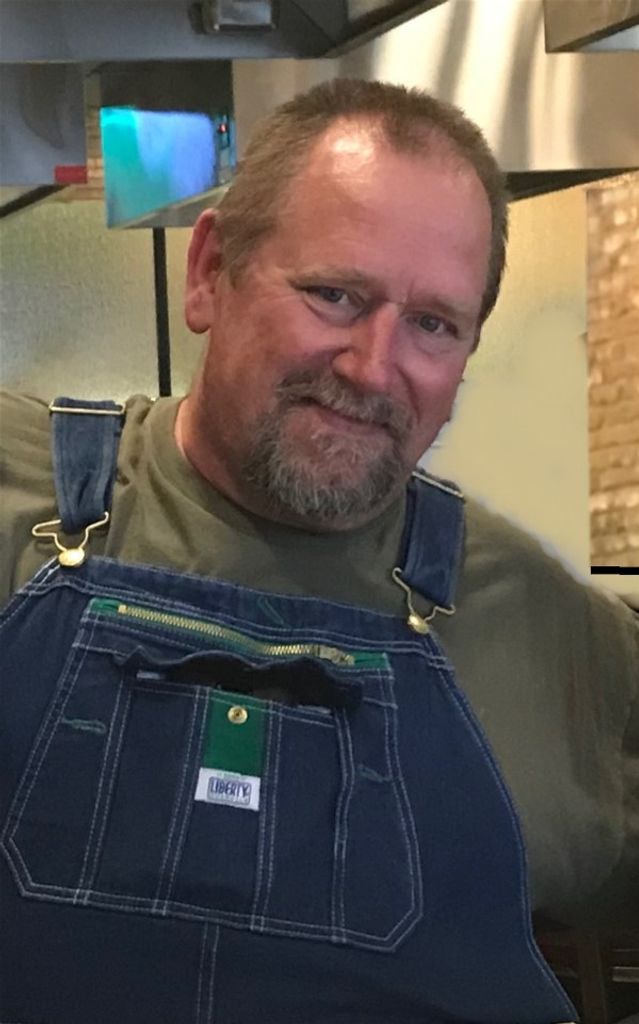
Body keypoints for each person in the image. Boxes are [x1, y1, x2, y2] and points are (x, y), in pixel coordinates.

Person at [0, 78, 637, 1024]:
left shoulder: (553, 632)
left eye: (432, 324)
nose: (373, 368)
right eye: (334, 295)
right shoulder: (17, 492)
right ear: (209, 273)